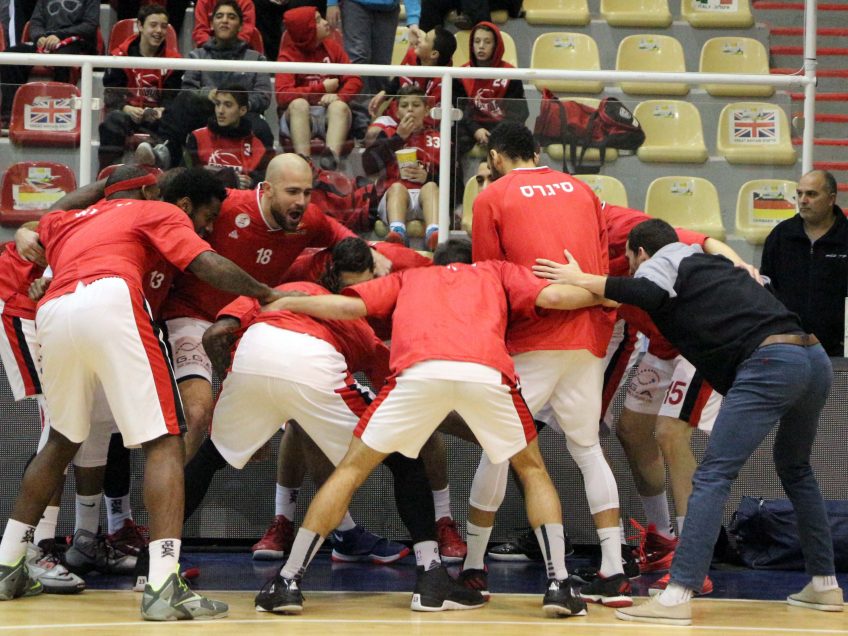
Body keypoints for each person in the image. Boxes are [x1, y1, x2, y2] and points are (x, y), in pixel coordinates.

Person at [253, 238, 609, 617]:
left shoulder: (410, 277)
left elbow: (347, 306)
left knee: (351, 470)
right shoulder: (496, 270)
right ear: (472, 260)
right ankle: (558, 585)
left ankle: (288, 580)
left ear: (434, 262)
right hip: (485, 372)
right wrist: (607, 293)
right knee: (533, 469)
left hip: (417, 374)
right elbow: (555, 298)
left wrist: (288, 300)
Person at [0, 165, 286, 620]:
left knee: (61, 439)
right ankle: (163, 585)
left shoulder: (68, 219)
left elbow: (45, 219)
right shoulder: (154, 209)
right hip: (110, 296)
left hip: (54, 309)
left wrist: (103, 186)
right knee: (165, 438)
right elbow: (205, 262)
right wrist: (262, 291)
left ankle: (8, 560)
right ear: (151, 191)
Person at [536, 217, 844, 625]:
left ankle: (679, 591)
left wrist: (584, 277)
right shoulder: (707, 263)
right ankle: (824, 584)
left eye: (630, 261)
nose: (630, 268)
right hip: (813, 358)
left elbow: (644, 288)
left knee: (714, 474)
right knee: (796, 469)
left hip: (771, 360)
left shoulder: (664, 261)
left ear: (641, 253)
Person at [470, 121, 629, 607]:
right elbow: (599, 271)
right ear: (537, 150)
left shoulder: (491, 197)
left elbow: (487, 279)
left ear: (496, 157)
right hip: (588, 338)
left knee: (498, 450)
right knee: (586, 448)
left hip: (530, 337)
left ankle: (474, 568)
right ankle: (615, 571)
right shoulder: (583, 189)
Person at [160, 154, 384, 462]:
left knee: (302, 422)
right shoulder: (224, 207)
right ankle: (170, 506)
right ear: (266, 189)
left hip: (250, 323)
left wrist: (374, 252)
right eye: (293, 191)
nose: (302, 201)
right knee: (197, 415)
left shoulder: (311, 220)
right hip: (191, 316)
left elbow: (340, 237)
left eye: (307, 192)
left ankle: (283, 502)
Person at [138, 0, 274, 168]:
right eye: (219, 16)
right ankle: (164, 155)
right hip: (206, 112)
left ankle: (263, 176)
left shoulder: (256, 58)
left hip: (243, 115)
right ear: (212, 23)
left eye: (231, 17)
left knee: (263, 129)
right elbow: (188, 89)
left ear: (240, 26)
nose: (225, 20)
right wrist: (208, 95)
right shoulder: (197, 55)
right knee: (181, 104)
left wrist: (237, 104)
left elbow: (263, 95)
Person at [761, 169, 847, 357]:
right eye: (799, 194)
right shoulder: (780, 236)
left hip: (837, 351)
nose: (803, 200)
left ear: (831, 199)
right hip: (787, 347)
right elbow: (766, 289)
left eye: (811, 194)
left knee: (838, 388)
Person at [275, 7, 363, 169]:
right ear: (306, 30)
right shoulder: (287, 55)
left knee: (339, 106)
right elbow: (282, 95)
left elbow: (354, 79)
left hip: (330, 116)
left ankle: (331, 161)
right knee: (299, 104)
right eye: (317, 21)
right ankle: (304, 163)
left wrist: (339, 96)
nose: (325, 22)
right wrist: (321, 88)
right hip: (299, 118)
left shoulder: (333, 47)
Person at [98, 4, 183, 172]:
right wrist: (126, 108)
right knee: (113, 120)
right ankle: (107, 174)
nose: (159, 30)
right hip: (128, 115)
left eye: (164, 26)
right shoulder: (119, 56)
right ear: (140, 26)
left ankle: (167, 177)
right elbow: (111, 92)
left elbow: (173, 96)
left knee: (175, 123)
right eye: (153, 25)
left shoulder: (175, 61)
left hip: (157, 117)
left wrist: (162, 109)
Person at [363, 85, 442, 250]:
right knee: (397, 188)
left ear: (427, 110)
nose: (410, 110)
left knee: (431, 186)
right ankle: (397, 232)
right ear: (397, 112)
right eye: (404, 106)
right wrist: (399, 137)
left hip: (426, 201)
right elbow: (368, 166)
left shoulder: (438, 138)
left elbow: (455, 181)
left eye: (416, 105)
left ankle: (434, 233)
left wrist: (428, 177)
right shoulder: (388, 134)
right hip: (395, 200)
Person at [0, 0, 100, 126]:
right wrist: (39, 37)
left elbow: (90, 25)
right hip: (46, 40)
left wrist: (60, 36)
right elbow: (35, 22)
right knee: (10, 57)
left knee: (63, 59)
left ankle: (62, 114)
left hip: (78, 42)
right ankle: (10, 116)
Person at [185, 82, 273, 189]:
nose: (220, 111)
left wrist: (253, 183)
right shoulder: (197, 137)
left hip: (242, 202)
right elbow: (188, 177)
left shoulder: (256, 145)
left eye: (228, 105)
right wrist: (227, 179)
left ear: (242, 110)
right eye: (217, 104)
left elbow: (267, 181)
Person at [326, 0, 421, 95]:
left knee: (382, 63)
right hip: (355, 5)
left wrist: (413, 20)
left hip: (388, 9)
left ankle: (377, 106)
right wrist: (332, 3)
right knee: (358, 58)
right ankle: (357, 108)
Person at [460, 21, 528, 150]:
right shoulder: (460, 74)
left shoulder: (511, 75)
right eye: (477, 41)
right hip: (471, 129)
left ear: (496, 46)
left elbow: (519, 113)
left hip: (503, 130)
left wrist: (497, 134)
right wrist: (476, 130)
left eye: (487, 42)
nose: (481, 46)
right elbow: (460, 110)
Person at [192, 0, 257, 48]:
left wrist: (232, 47)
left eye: (231, 17)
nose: (224, 21)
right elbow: (200, 31)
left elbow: (246, 31)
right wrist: (214, 47)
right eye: (219, 16)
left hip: (241, 49)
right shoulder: (203, 2)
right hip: (209, 49)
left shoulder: (246, 3)